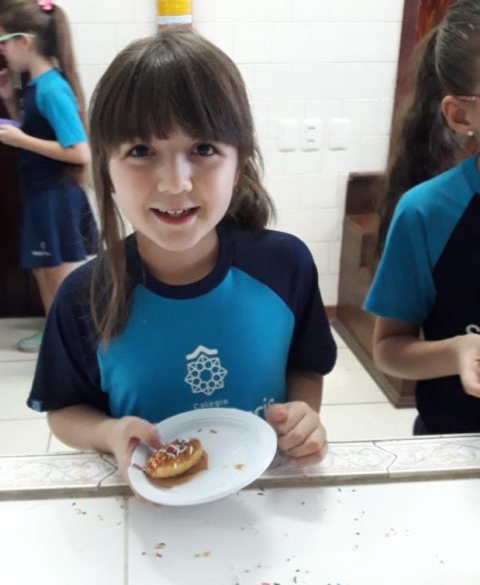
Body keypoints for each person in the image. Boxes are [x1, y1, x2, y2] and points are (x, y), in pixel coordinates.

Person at [27, 29, 337, 478]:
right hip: (149, 502)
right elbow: (63, 411)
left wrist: (303, 417)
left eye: (203, 149)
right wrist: (108, 432)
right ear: (107, 170)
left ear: (239, 162)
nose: (175, 183)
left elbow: (306, 367)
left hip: (266, 491)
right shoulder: (83, 295)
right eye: (141, 150)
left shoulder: (286, 266)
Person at [365, 0, 480, 435]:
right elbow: (389, 348)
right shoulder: (427, 213)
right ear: (461, 115)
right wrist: (457, 351)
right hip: (457, 444)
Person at [0, 0, 97, 353]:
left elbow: (79, 151)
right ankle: (56, 334)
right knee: (44, 269)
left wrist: (20, 139)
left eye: (2, 42)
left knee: (60, 275)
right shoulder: (35, 85)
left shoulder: (51, 88)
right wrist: (8, 100)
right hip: (42, 193)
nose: (1, 50)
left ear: (25, 41)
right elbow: (39, 133)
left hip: (57, 195)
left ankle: (73, 343)